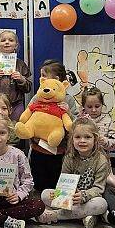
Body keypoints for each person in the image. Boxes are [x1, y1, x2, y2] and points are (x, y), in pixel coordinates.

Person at [40, 117, 109, 228]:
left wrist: (83, 196)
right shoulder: (69, 158)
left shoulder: (101, 160)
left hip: (89, 199)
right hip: (70, 197)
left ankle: (56, 215)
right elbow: (64, 182)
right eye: (77, 137)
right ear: (72, 139)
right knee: (45, 194)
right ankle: (84, 216)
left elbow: (99, 188)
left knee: (101, 204)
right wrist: (61, 194)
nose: (82, 141)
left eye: (87, 137)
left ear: (95, 139)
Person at [29, 60, 78, 192]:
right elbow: (28, 114)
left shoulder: (68, 99)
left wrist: (68, 112)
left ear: (56, 79)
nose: (41, 78)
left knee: (56, 183)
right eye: (41, 75)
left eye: (44, 75)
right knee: (38, 182)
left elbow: (75, 124)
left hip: (59, 150)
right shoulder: (38, 96)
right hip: (38, 148)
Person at [0, 30, 31, 121]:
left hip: (16, 104)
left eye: (11, 40)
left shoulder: (21, 64)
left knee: (16, 128)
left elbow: (28, 88)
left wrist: (21, 79)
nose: (7, 42)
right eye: (3, 40)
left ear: (16, 45)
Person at [79, 86, 115, 152]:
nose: (94, 110)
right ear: (83, 106)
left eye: (97, 106)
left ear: (102, 105)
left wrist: (105, 141)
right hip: (82, 156)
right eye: (89, 107)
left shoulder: (108, 121)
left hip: (102, 156)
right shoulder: (80, 121)